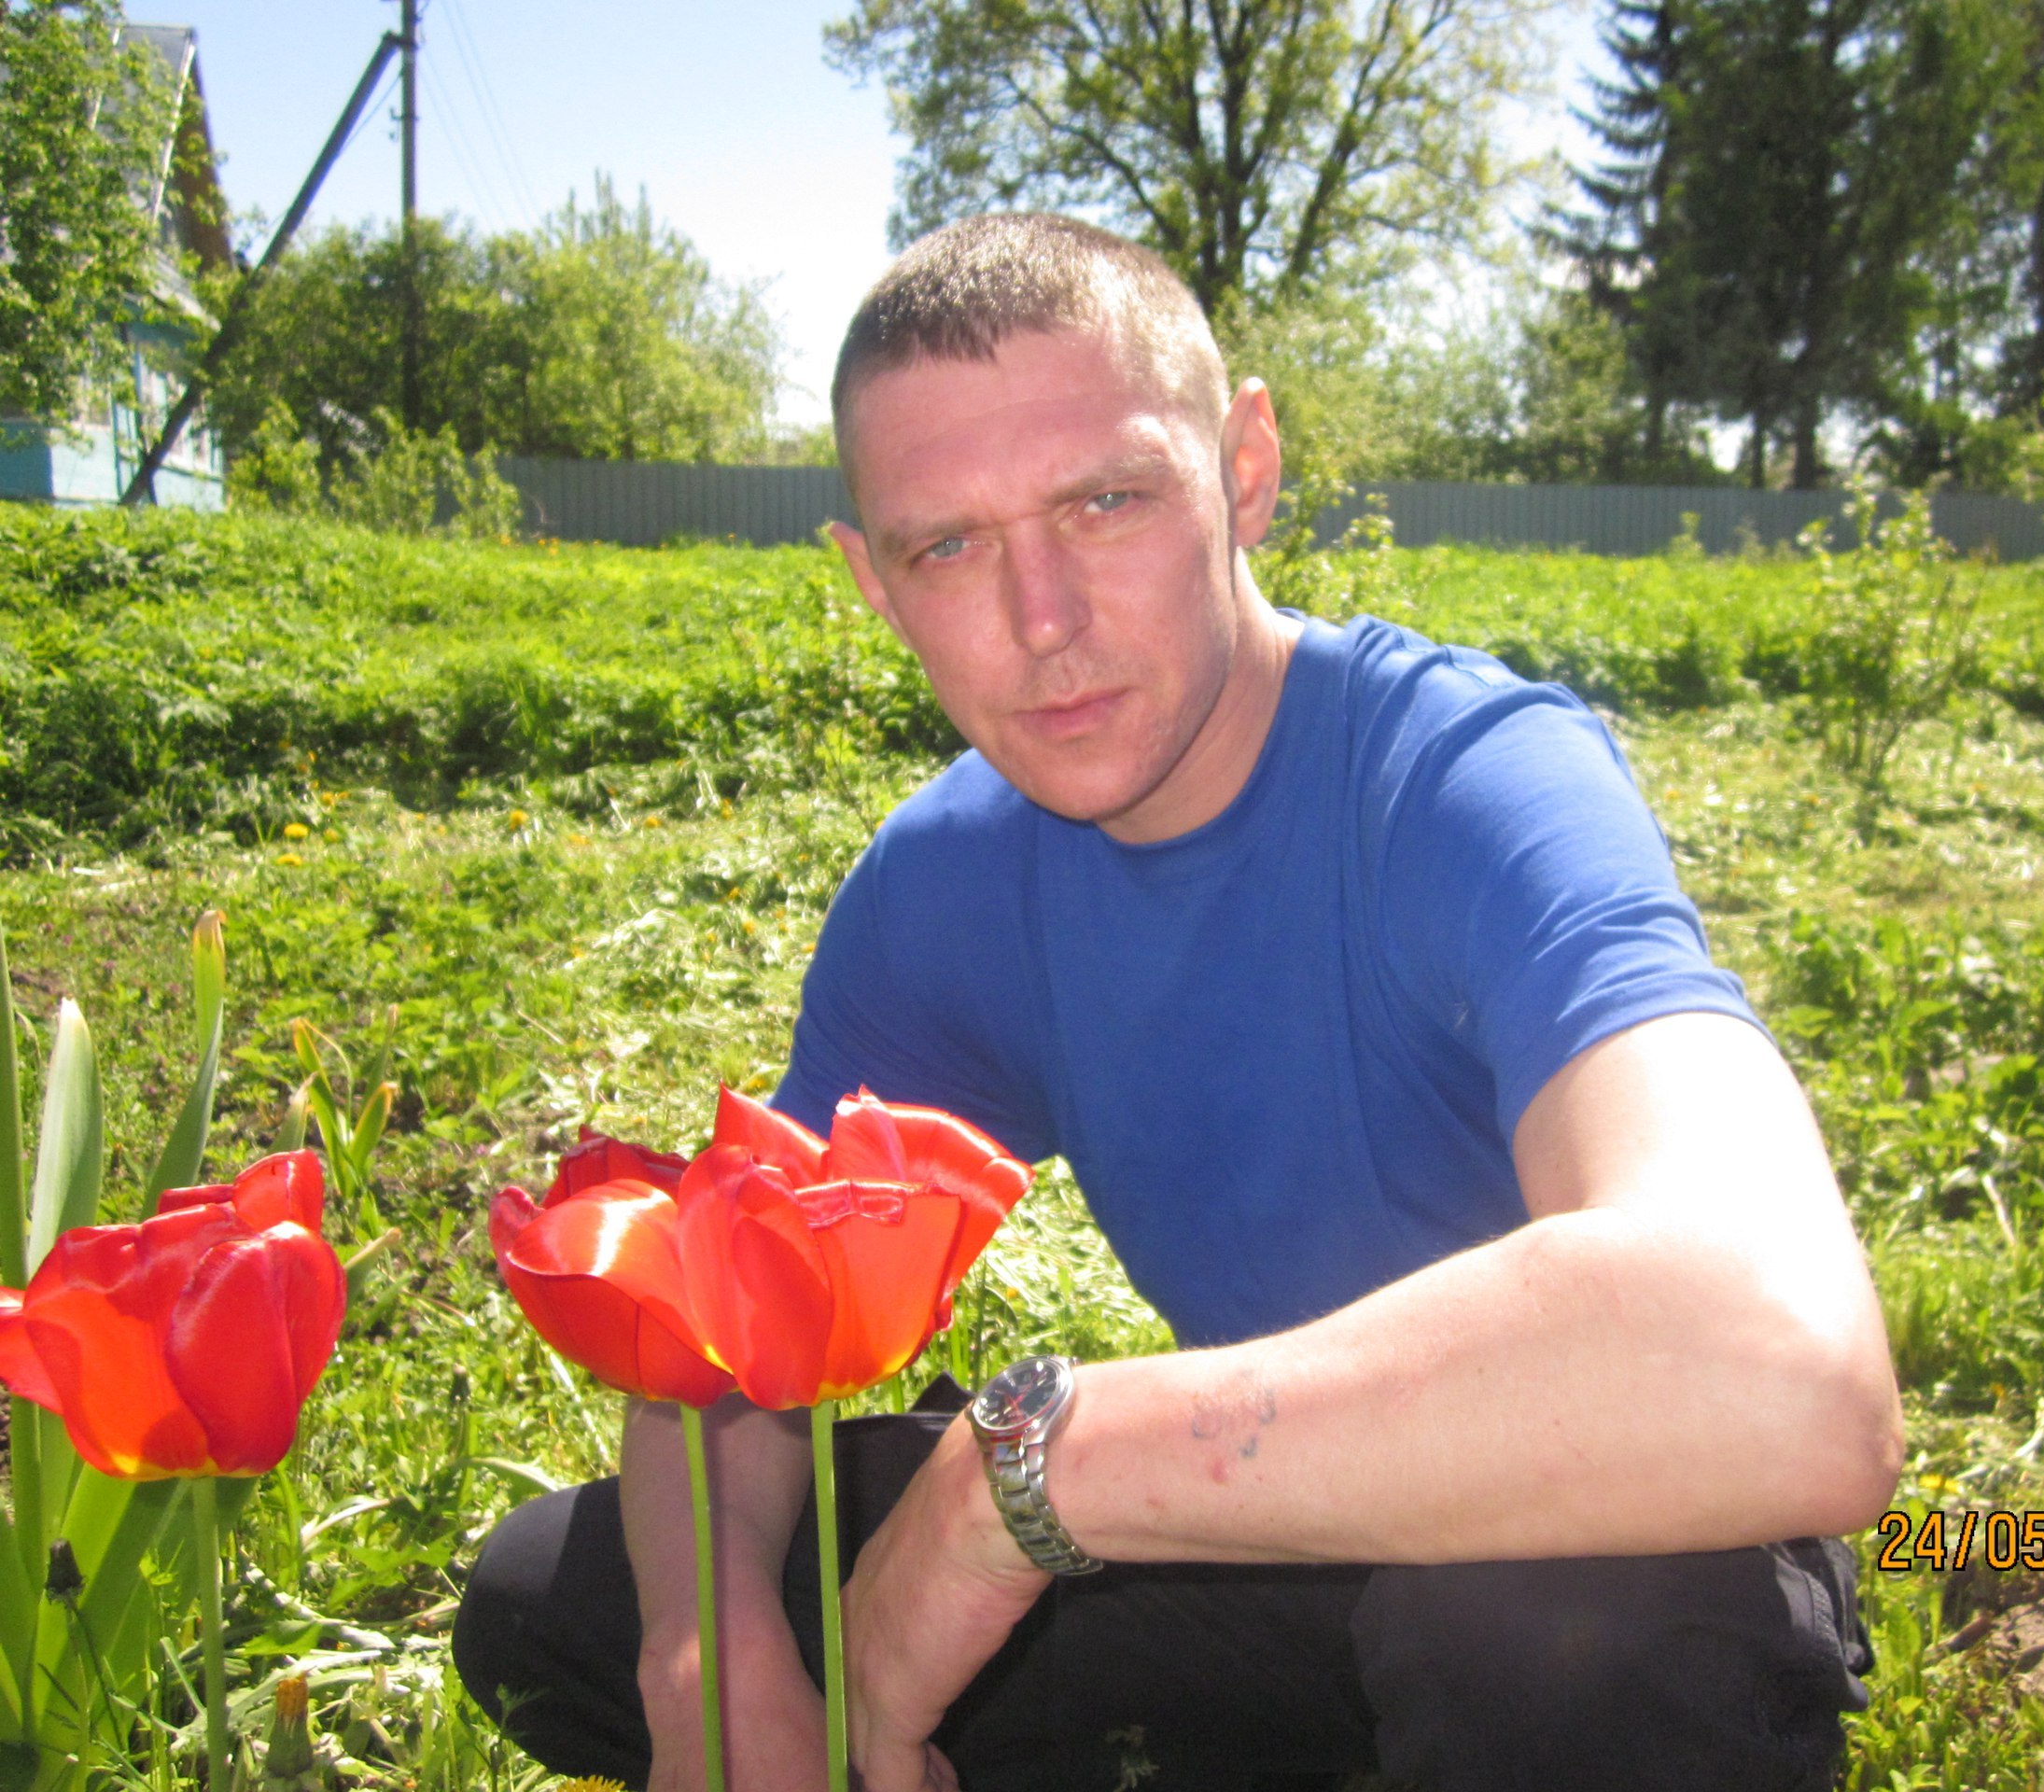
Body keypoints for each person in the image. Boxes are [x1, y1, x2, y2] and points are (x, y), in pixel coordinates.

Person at [454, 213, 1902, 1792]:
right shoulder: (949, 886)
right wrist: (713, 1675)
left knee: (1547, 1639)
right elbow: (726, 1330)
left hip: (1622, 1543)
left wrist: (1024, 1481)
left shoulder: (1465, 781)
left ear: (1245, 470)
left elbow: (1786, 1368)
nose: (1043, 621)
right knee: (565, 1601)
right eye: (950, 547)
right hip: (1268, 1543)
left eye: (1107, 502)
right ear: (873, 583)